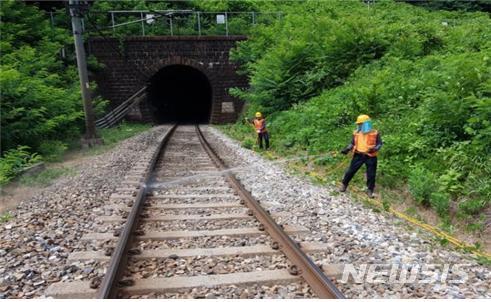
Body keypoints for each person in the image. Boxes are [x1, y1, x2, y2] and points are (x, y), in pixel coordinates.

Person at [339, 114, 383, 198]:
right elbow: (352, 143)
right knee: (350, 171)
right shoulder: (356, 133)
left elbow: (379, 144)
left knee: (371, 174)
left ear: (366, 124)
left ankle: (370, 190)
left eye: (360, 124)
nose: (359, 125)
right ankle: (344, 185)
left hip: (371, 156)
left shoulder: (375, 133)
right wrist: (347, 149)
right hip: (358, 155)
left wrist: (374, 149)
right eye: (358, 124)